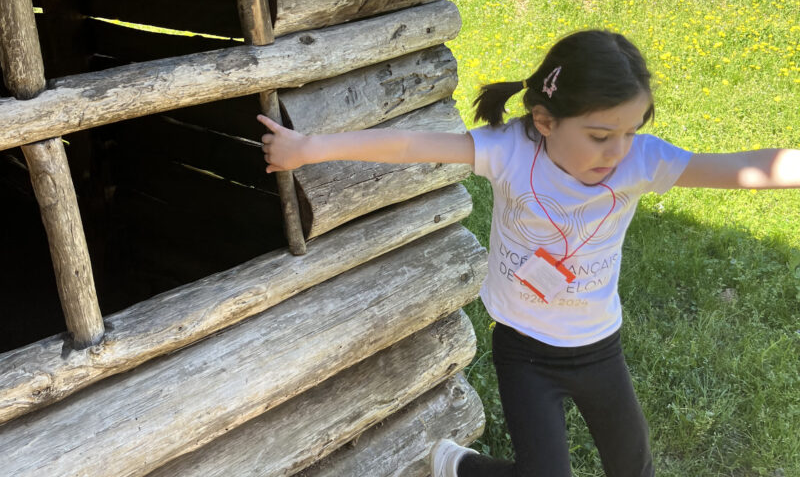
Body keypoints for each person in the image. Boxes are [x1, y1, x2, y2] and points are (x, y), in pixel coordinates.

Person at [257, 30, 799, 477]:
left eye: (631, 133)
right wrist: (309, 148)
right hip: (524, 350)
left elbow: (745, 168)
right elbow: (409, 145)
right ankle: (459, 465)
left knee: (635, 470)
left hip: (598, 348)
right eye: (599, 135)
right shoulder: (508, 151)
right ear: (545, 121)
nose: (617, 152)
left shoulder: (642, 162)